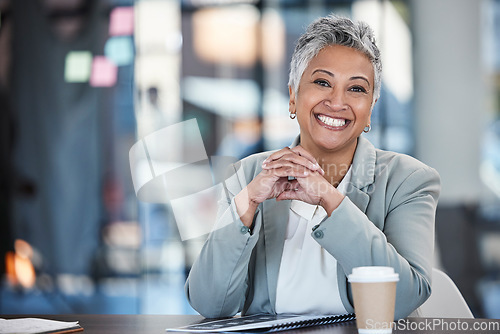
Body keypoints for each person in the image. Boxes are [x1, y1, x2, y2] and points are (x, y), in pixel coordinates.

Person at [185, 14, 440, 320]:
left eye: (356, 89)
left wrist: (329, 199)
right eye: (322, 82)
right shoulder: (248, 175)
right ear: (293, 96)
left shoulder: (408, 180)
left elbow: (403, 299)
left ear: (371, 108)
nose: (337, 101)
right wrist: (248, 202)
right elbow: (211, 304)